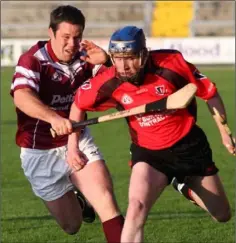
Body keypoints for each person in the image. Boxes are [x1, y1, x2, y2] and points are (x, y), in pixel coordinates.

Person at [71, 26, 234, 243]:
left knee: (222, 215)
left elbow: (209, 93)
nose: (123, 66)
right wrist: (72, 145)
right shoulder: (107, 81)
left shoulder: (171, 64)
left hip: (189, 147)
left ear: (144, 54)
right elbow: (78, 104)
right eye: (117, 58)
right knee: (136, 207)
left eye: (129, 58)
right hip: (149, 155)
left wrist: (225, 132)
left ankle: (182, 184)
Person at [10, 5, 124, 242]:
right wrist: (53, 117)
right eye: (65, 37)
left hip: (78, 140)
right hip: (39, 150)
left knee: (105, 200)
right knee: (72, 225)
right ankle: (78, 200)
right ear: (50, 33)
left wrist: (108, 62)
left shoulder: (85, 58)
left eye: (77, 37)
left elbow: (123, 84)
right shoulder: (33, 60)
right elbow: (22, 96)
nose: (72, 44)